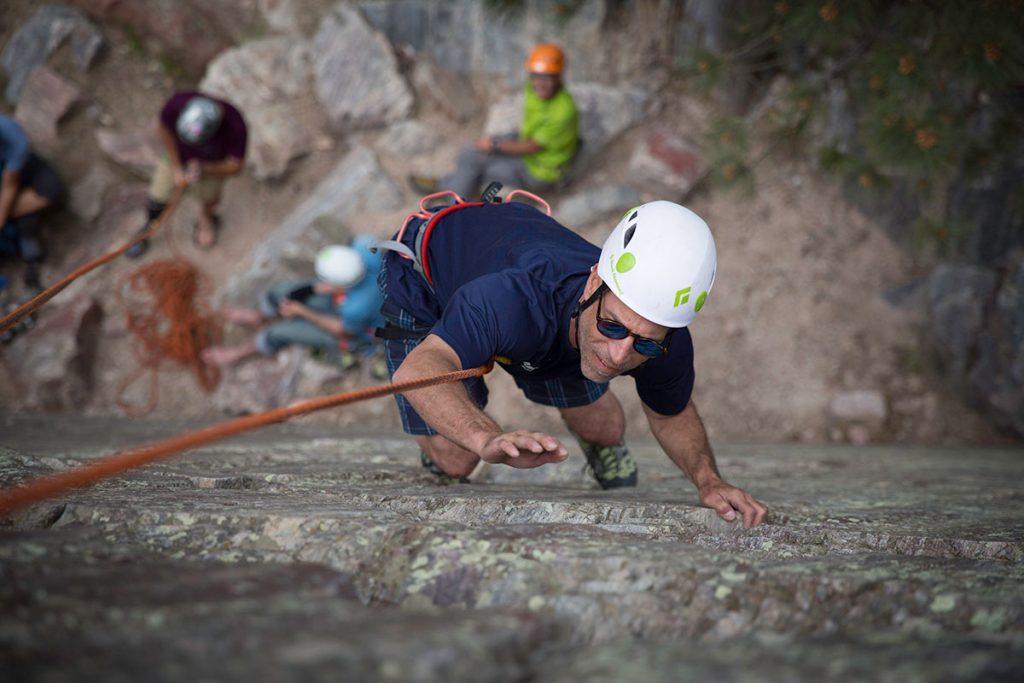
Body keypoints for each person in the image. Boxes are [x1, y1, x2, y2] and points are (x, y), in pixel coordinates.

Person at [377, 197, 768, 528]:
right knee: (457, 459)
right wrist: (486, 438)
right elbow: (421, 368)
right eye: (612, 326)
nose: (619, 356)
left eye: (644, 345)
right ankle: (438, 446)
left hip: (532, 312)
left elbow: (670, 414)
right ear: (594, 283)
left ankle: (599, 438)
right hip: (424, 276)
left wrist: (708, 481)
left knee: (606, 425)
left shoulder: (663, 335)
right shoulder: (512, 299)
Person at [408, 43, 579, 199]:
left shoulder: (563, 110)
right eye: (536, 76)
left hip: (540, 171)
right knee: (471, 155)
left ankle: (452, 200)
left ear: (558, 77)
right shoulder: (533, 88)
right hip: (530, 146)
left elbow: (532, 146)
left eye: (547, 78)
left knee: (481, 163)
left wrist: (494, 146)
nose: (540, 83)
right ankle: (449, 187)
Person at [201, 235, 386, 378]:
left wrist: (303, 312)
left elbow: (344, 331)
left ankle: (238, 354)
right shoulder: (365, 244)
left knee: (279, 332)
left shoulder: (356, 308)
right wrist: (319, 289)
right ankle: (258, 316)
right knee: (281, 292)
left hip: (359, 332)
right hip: (350, 294)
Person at [127, 92, 247, 257]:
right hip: (177, 157)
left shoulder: (235, 126)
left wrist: (205, 169)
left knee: (210, 197)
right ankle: (149, 226)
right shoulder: (177, 104)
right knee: (157, 196)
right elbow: (164, 129)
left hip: (211, 166)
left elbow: (236, 166)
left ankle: (205, 219)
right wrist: (176, 167)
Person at [0, 115, 64, 290]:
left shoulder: (12, 136)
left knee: (49, 191)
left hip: (20, 173)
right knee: (26, 216)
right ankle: (29, 258)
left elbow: (9, 185)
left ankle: (31, 260)